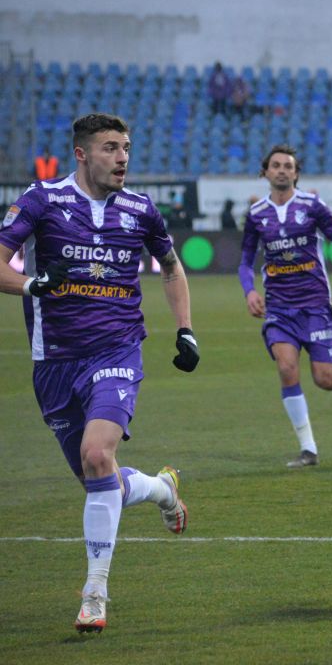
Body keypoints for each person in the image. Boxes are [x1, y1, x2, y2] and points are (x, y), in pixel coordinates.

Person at [0, 113, 199, 633]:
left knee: (97, 454)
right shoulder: (43, 201)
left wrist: (185, 329)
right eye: (111, 148)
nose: (123, 158)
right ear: (83, 154)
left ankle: (95, 591)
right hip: (54, 362)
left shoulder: (140, 208)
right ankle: (160, 488)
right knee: (98, 480)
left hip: (116, 350)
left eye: (127, 147)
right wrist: (32, 285)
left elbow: (172, 266)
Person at [239, 145, 332, 468]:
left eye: (288, 166)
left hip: (314, 306)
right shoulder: (256, 215)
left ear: (296, 173)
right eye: (276, 165)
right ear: (266, 172)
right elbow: (244, 263)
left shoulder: (312, 207)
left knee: (323, 378)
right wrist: (249, 291)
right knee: (286, 367)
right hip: (280, 309)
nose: (282, 170)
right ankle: (308, 449)